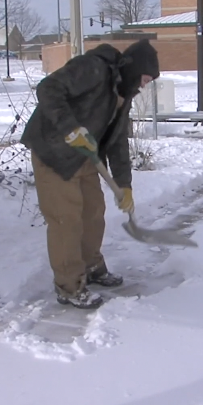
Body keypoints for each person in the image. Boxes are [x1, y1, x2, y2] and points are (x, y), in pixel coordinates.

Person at [20, 39, 160, 309]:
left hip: (85, 155)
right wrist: (70, 128)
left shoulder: (123, 92)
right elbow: (48, 88)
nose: (144, 85)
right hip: (54, 151)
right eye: (144, 78)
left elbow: (117, 141)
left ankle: (92, 266)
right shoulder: (93, 68)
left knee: (93, 214)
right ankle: (69, 286)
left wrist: (124, 185)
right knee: (66, 221)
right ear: (134, 68)